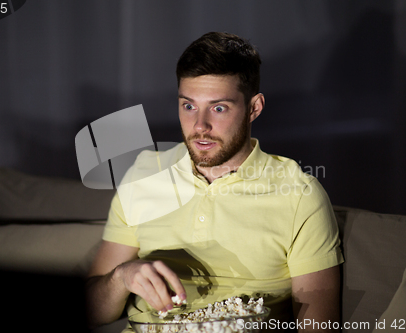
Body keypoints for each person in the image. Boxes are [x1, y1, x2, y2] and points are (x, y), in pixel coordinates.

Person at [86, 32, 344, 332]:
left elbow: (319, 327)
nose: (200, 126)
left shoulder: (299, 194)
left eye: (219, 108)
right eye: (188, 106)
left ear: (254, 108)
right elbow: (93, 311)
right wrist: (121, 277)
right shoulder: (145, 174)